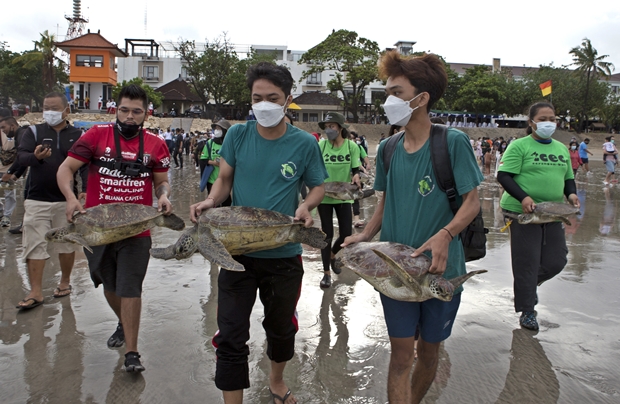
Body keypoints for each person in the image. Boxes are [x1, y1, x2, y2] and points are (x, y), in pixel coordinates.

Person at [342, 51, 482, 404]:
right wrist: (363, 236)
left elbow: (472, 202)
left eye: (397, 92)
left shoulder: (451, 142)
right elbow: (383, 206)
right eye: (387, 91)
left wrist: (446, 234)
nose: (388, 100)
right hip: (395, 274)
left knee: (430, 353)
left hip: (441, 273)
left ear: (421, 98)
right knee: (402, 355)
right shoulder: (388, 148)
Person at [189, 61, 327, 404]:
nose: (263, 104)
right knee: (232, 332)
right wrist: (210, 201)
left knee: (281, 328)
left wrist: (305, 207)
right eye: (257, 97)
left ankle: (276, 381)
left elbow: (318, 187)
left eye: (272, 97)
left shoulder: (304, 143)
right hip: (236, 252)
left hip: (283, 255)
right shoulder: (237, 135)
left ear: (287, 99)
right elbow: (224, 180)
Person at [57, 84, 173, 372]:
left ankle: (132, 353)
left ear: (146, 113)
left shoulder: (157, 144)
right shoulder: (96, 135)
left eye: (136, 111)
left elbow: (161, 181)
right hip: (99, 229)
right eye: (124, 110)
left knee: (130, 287)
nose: (129, 117)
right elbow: (66, 169)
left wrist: (163, 196)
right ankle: (124, 321)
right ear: (116, 109)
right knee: (108, 284)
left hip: (137, 230)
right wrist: (71, 198)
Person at [497, 101, 579, 331]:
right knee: (527, 262)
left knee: (556, 260)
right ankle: (527, 311)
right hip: (522, 212)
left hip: (552, 212)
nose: (548, 123)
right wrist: (523, 197)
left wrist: (571, 195)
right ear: (531, 122)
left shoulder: (561, 148)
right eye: (542, 119)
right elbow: (504, 176)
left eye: (552, 119)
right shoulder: (519, 146)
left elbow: (568, 178)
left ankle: (529, 284)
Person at [15, 92, 88, 309]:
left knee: (67, 244)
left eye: (55, 108)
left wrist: (85, 190)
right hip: (36, 198)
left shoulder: (77, 135)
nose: (50, 112)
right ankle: (35, 291)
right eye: (46, 107)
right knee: (34, 244)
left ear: (67, 110)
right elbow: (21, 157)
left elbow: (84, 165)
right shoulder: (33, 131)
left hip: (66, 200)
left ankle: (64, 282)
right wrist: (35, 158)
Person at [317, 112, 361, 288]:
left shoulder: (351, 147)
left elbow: (356, 170)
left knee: (345, 234)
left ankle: (333, 255)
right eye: (327, 127)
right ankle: (326, 273)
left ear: (340, 128)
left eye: (332, 126)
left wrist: (357, 177)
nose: (329, 130)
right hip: (325, 196)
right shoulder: (321, 146)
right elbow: (314, 168)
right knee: (326, 235)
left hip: (343, 196)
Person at [0, 116, 28, 227]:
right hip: (20, 168)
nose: (3, 130)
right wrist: (16, 175)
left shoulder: (21, 135)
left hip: (36, 169)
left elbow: (21, 157)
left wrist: (10, 173)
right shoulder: (19, 135)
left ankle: (22, 224)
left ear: (12, 125)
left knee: (27, 197)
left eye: (3, 127)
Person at [200, 119, 232, 206]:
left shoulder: (231, 143)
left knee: (228, 206)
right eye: (216, 128)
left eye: (219, 128)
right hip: (212, 180)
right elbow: (203, 159)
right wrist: (214, 163)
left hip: (228, 181)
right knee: (213, 204)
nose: (217, 130)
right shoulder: (210, 143)